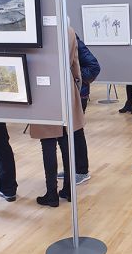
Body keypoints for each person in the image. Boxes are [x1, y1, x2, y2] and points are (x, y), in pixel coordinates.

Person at [30, 26, 88, 207]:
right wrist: (76, 85)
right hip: (66, 86)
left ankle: (51, 193)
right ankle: (69, 190)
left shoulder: (35, 26)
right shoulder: (68, 29)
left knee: (48, 143)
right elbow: (76, 64)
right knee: (66, 140)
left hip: (42, 89)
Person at [57, 35, 100, 181]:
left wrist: (75, 80)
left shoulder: (74, 40)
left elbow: (94, 67)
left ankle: (82, 171)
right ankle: (71, 169)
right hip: (64, 94)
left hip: (78, 94)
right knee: (65, 134)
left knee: (76, 131)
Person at [76, 34, 101, 113]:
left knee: (77, 124)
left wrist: (75, 72)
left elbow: (94, 68)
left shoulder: (77, 44)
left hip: (79, 93)